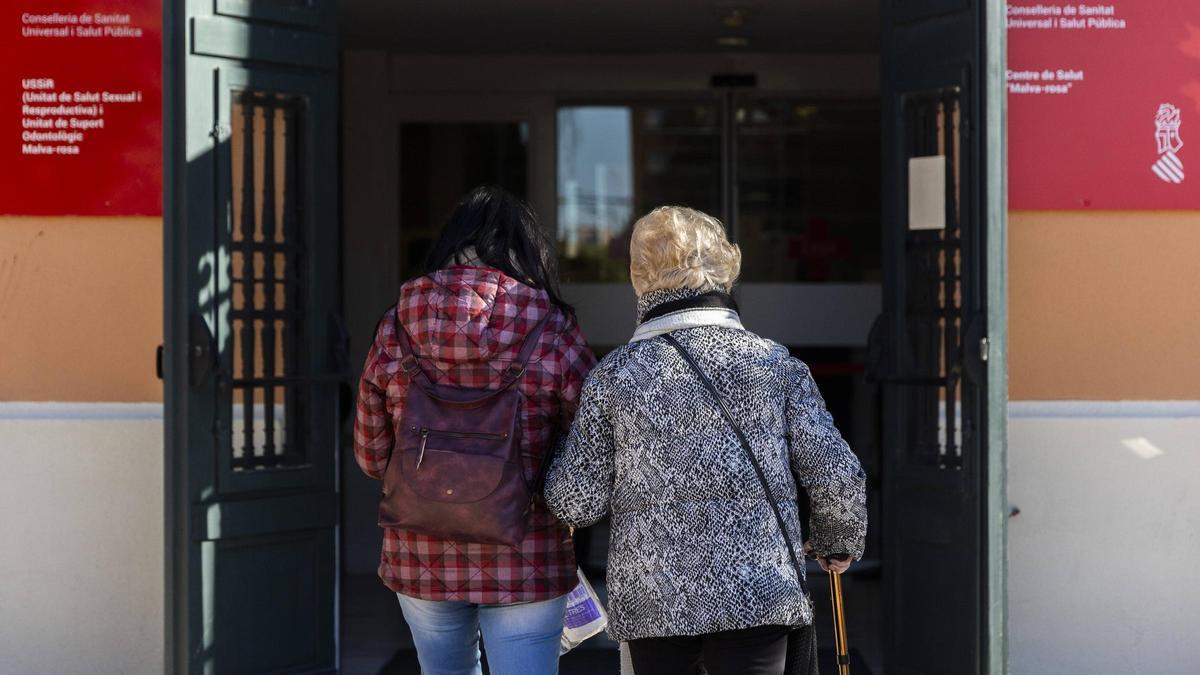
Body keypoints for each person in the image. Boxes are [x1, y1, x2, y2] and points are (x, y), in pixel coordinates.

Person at [543, 206, 867, 675]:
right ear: (725, 272)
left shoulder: (613, 377)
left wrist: (549, 452)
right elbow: (836, 472)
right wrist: (837, 540)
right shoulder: (774, 365)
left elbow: (576, 503)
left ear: (639, 278)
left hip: (653, 601)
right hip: (757, 594)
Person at [353, 186, 596, 675]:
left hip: (420, 552)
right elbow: (591, 449)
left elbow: (371, 456)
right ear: (527, 251)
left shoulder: (395, 324)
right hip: (525, 554)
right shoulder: (550, 327)